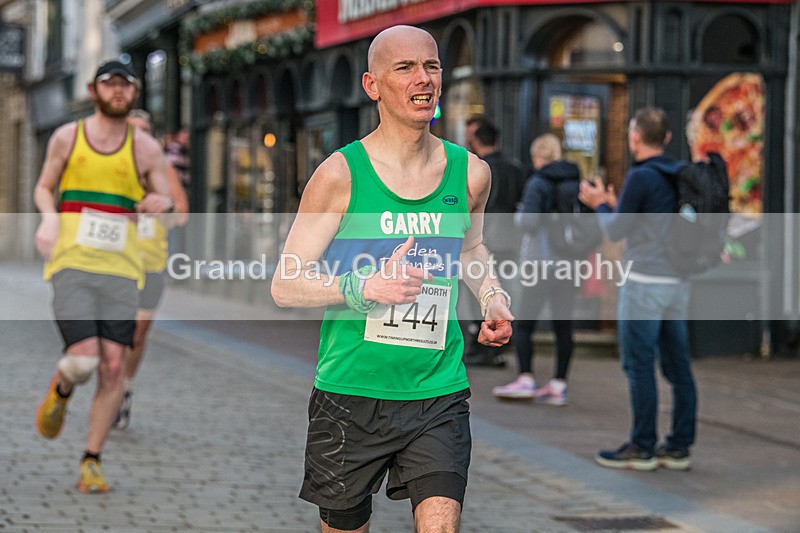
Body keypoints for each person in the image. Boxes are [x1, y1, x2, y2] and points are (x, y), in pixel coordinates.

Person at [270, 25, 514, 532]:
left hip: (437, 389)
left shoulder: (470, 174)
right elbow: (285, 283)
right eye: (405, 68)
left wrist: (491, 295)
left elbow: (470, 247)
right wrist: (363, 289)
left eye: (432, 66)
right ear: (372, 85)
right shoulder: (340, 175)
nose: (423, 79)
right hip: (351, 390)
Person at [33, 61, 174, 493]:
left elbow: (166, 197)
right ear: (94, 90)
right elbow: (43, 187)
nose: (117, 91)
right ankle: (61, 388)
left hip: (122, 270)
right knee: (83, 359)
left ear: (134, 93)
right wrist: (48, 219)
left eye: (125, 85)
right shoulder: (66, 138)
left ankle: (91, 459)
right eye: (110, 84)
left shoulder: (145, 148)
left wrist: (157, 203)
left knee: (114, 368)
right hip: (72, 263)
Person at [579, 107, 697, 471]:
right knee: (678, 365)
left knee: (639, 364)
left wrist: (599, 205)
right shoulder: (678, 173)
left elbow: (616, 231)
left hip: (644, 283)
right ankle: (678, 446)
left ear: (634, 138)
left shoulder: (641, 176)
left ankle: (642, 446)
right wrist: (616, 206)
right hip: (677, 283)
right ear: (666, 138)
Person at [114, 109, 189, 430]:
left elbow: (182, 214)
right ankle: (111, 387)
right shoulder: (113, 169)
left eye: (143, 130)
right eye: (131, 130)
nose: (137, 136)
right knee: (116, 331)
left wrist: (161, 211)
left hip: (152, 263)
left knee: (139, 332)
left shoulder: (163, 170)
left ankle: (125, 387)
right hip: (115, 264)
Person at [493, 133, 580, 405]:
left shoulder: (538, 182)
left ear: (538, 156)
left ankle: (526, 378)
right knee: (563, 326)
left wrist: (519, 214)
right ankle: (559, 384)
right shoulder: (575, 181)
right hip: (568, 263)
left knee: (525, 323)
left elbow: (529, 223)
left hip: (539, 263)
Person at [461, 117, 526, 367]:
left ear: (477, 140)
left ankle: (480, 348)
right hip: (510, 240)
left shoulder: (479, 169)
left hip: (484, 239)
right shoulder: (516, 168)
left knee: (477, 292)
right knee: (501, 291)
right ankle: (497, 347)